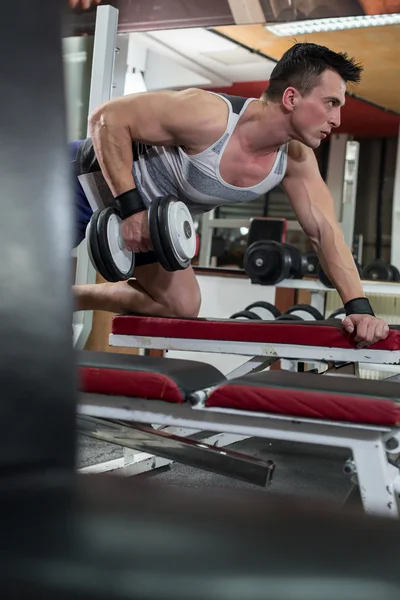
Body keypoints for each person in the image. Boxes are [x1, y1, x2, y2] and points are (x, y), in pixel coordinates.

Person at [72, 42, 389, 348]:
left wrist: (359, 309)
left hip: (148, 221)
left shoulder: (295, 161)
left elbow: (326, 232)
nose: (337, 119)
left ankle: (72, 298)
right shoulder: (210, 116)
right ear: (291, 97)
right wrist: (131, 209)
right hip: (84, 181)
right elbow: (106, 120)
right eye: (331, 103)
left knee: (181, 305)